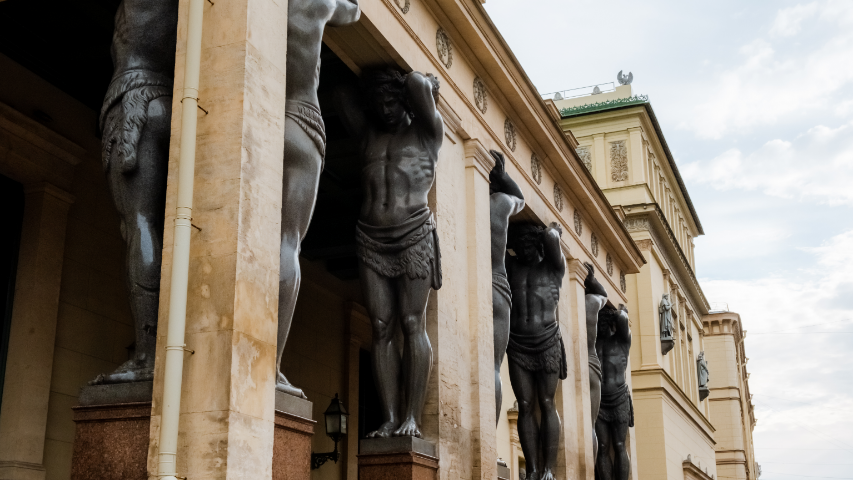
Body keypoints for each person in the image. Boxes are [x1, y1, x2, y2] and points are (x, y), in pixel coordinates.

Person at [335, 67, 443, 437]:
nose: (386, 108)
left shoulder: (428, 134)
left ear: (409, 101)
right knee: (380, 327)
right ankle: (390, 417)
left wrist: (421, 86)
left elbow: (415, 81)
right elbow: (341, 92)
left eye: (393, 100)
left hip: (414, 234)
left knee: (412, 322)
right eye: (379, 102)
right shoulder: (368, 136)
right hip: (370, 238)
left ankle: (412, 417)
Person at [275, 0, 361, 397]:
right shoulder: (322, 3)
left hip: (260, 106)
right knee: (287, 243)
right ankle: (270, 364)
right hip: (302, 121)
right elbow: (355, 12)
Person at [93, 0, 179, 385]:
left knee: (138, 224)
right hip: (167, 96)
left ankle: (146, 356)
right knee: (154, 225)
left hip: (132, 95)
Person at [505, 222, 566, 480]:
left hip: (547, 339)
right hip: (518, 343)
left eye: (529, 244)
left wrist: (551, 231)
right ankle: (532, 469)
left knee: (547, 401)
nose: (525, 250)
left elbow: (553, 236)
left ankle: (549, 469)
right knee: (526, 405)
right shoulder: (512, 268)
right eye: (520, 246)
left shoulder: (553, 268)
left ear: (539, 244)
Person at [489, 150, 525, 425]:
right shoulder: (500, 203)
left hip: (464, 281)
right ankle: (489, 434)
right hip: (496, 285)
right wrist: (504, 176)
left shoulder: (468, 199)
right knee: (492, 367)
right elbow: (521, 200)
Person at [595, 305, 633, 480]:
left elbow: (623, 319)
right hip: (600, 401)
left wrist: (620, 312)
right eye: (599, 322)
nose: (601, 326)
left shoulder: (622, 341)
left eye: (604, 322)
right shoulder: (594, 344)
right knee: (602, 446)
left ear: (612, 324)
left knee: (619, 445)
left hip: (619, 398)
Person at [584, 263, 608, 461]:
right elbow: (605, 296)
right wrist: (594, 281)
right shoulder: (592, 302)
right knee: (589, 424)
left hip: (563, 355)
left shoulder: (558, 291)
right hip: (590, 361)